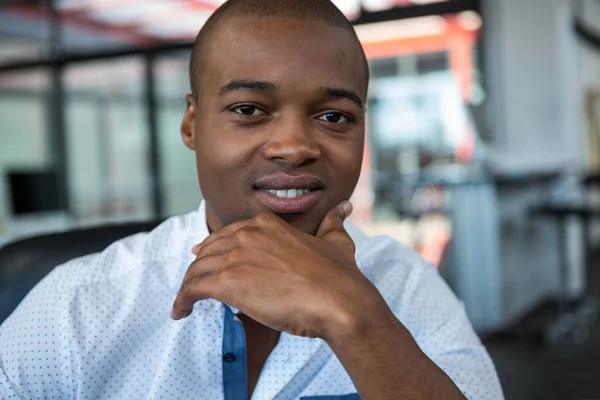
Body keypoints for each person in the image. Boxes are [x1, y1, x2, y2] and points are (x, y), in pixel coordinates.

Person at [0, 0, 503, 399]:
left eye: (334, 117)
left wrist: (357, 318)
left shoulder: (408, 289)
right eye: (249, 109)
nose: (295, 147)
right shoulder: (76, 309)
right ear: (192, 124)